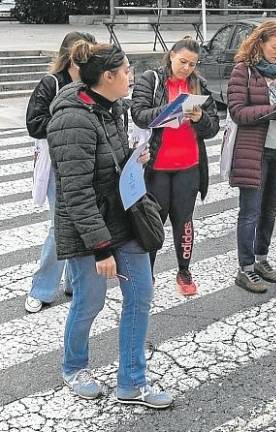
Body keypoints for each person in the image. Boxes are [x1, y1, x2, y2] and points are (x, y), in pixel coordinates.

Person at [47, 41, 172, 408]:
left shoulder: (111, 107)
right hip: (90, 232)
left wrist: (135, 159)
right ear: (108, 76)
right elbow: (76, 193)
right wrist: (101, 247)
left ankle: (131, 383)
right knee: (89, 301)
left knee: (140, 296)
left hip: (123, 218)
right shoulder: (72, 119)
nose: (131, 77)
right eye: (127, 71)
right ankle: (74, 367)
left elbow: (111, 165)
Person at [131, 37, 220, 297]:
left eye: (192, 64)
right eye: (182, 62)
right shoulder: (153, 79)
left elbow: (213, 127)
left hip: (189, 165)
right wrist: (170, 111)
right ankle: (147, 274)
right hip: (157, 165)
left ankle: (184, 271)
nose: (187, 68)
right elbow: (138, 113)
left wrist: (201, 117)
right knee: (153, 222)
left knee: (184, 221)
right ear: (171, 56)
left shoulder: (198, 84)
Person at [227, 20, 276, 293]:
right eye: (274, 47)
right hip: (253, 153)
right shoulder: (243, 71)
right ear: (259, 43)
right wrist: (272, 109)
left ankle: (261, 260)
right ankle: (244, 269)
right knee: (250, 212)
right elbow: (237, 111)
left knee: (270, 210)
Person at [24, 31, 96, 314]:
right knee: (60, 227)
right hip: (58, 164)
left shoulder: (93, 83)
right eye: (83, 57)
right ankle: (41, 288)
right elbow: (34, 123)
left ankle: (72, 282)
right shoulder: (52, 83)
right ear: (70, 56)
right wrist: (68, 121)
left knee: (81, 223)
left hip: (86, 163)